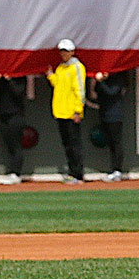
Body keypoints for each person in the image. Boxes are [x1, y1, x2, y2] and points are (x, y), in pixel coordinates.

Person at [49, 40, 89, 183]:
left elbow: (80, 89)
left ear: (72, 52)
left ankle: (78, 174)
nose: (64, 54)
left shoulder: (77, 67)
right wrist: (50, 76)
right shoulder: (61, 67)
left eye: (66, 51)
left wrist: (78, 110)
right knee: (67, 145)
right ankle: (72, 172)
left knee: (74, 145)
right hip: (60, 111)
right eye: (62, 51)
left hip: (72, 112)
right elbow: (58, 84)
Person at [0, 75, 28, 184]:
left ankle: (16, 173)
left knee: (16, 145)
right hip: (3, 114)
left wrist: (10, 79)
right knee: (9, 144)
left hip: (16, 115)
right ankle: (11, 172)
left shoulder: (20, 77)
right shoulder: (1, 78)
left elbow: (18, 92)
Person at [92, 68, 129, 179]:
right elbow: (97, 90)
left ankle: (117, 170)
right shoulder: (105, 79)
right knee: (111, 143)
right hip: (105, 114)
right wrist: (100, 81)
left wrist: (101, 81)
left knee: (116, 143)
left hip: (115, 115)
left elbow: (111, 92)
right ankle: (113, 169)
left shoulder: (119, 78)